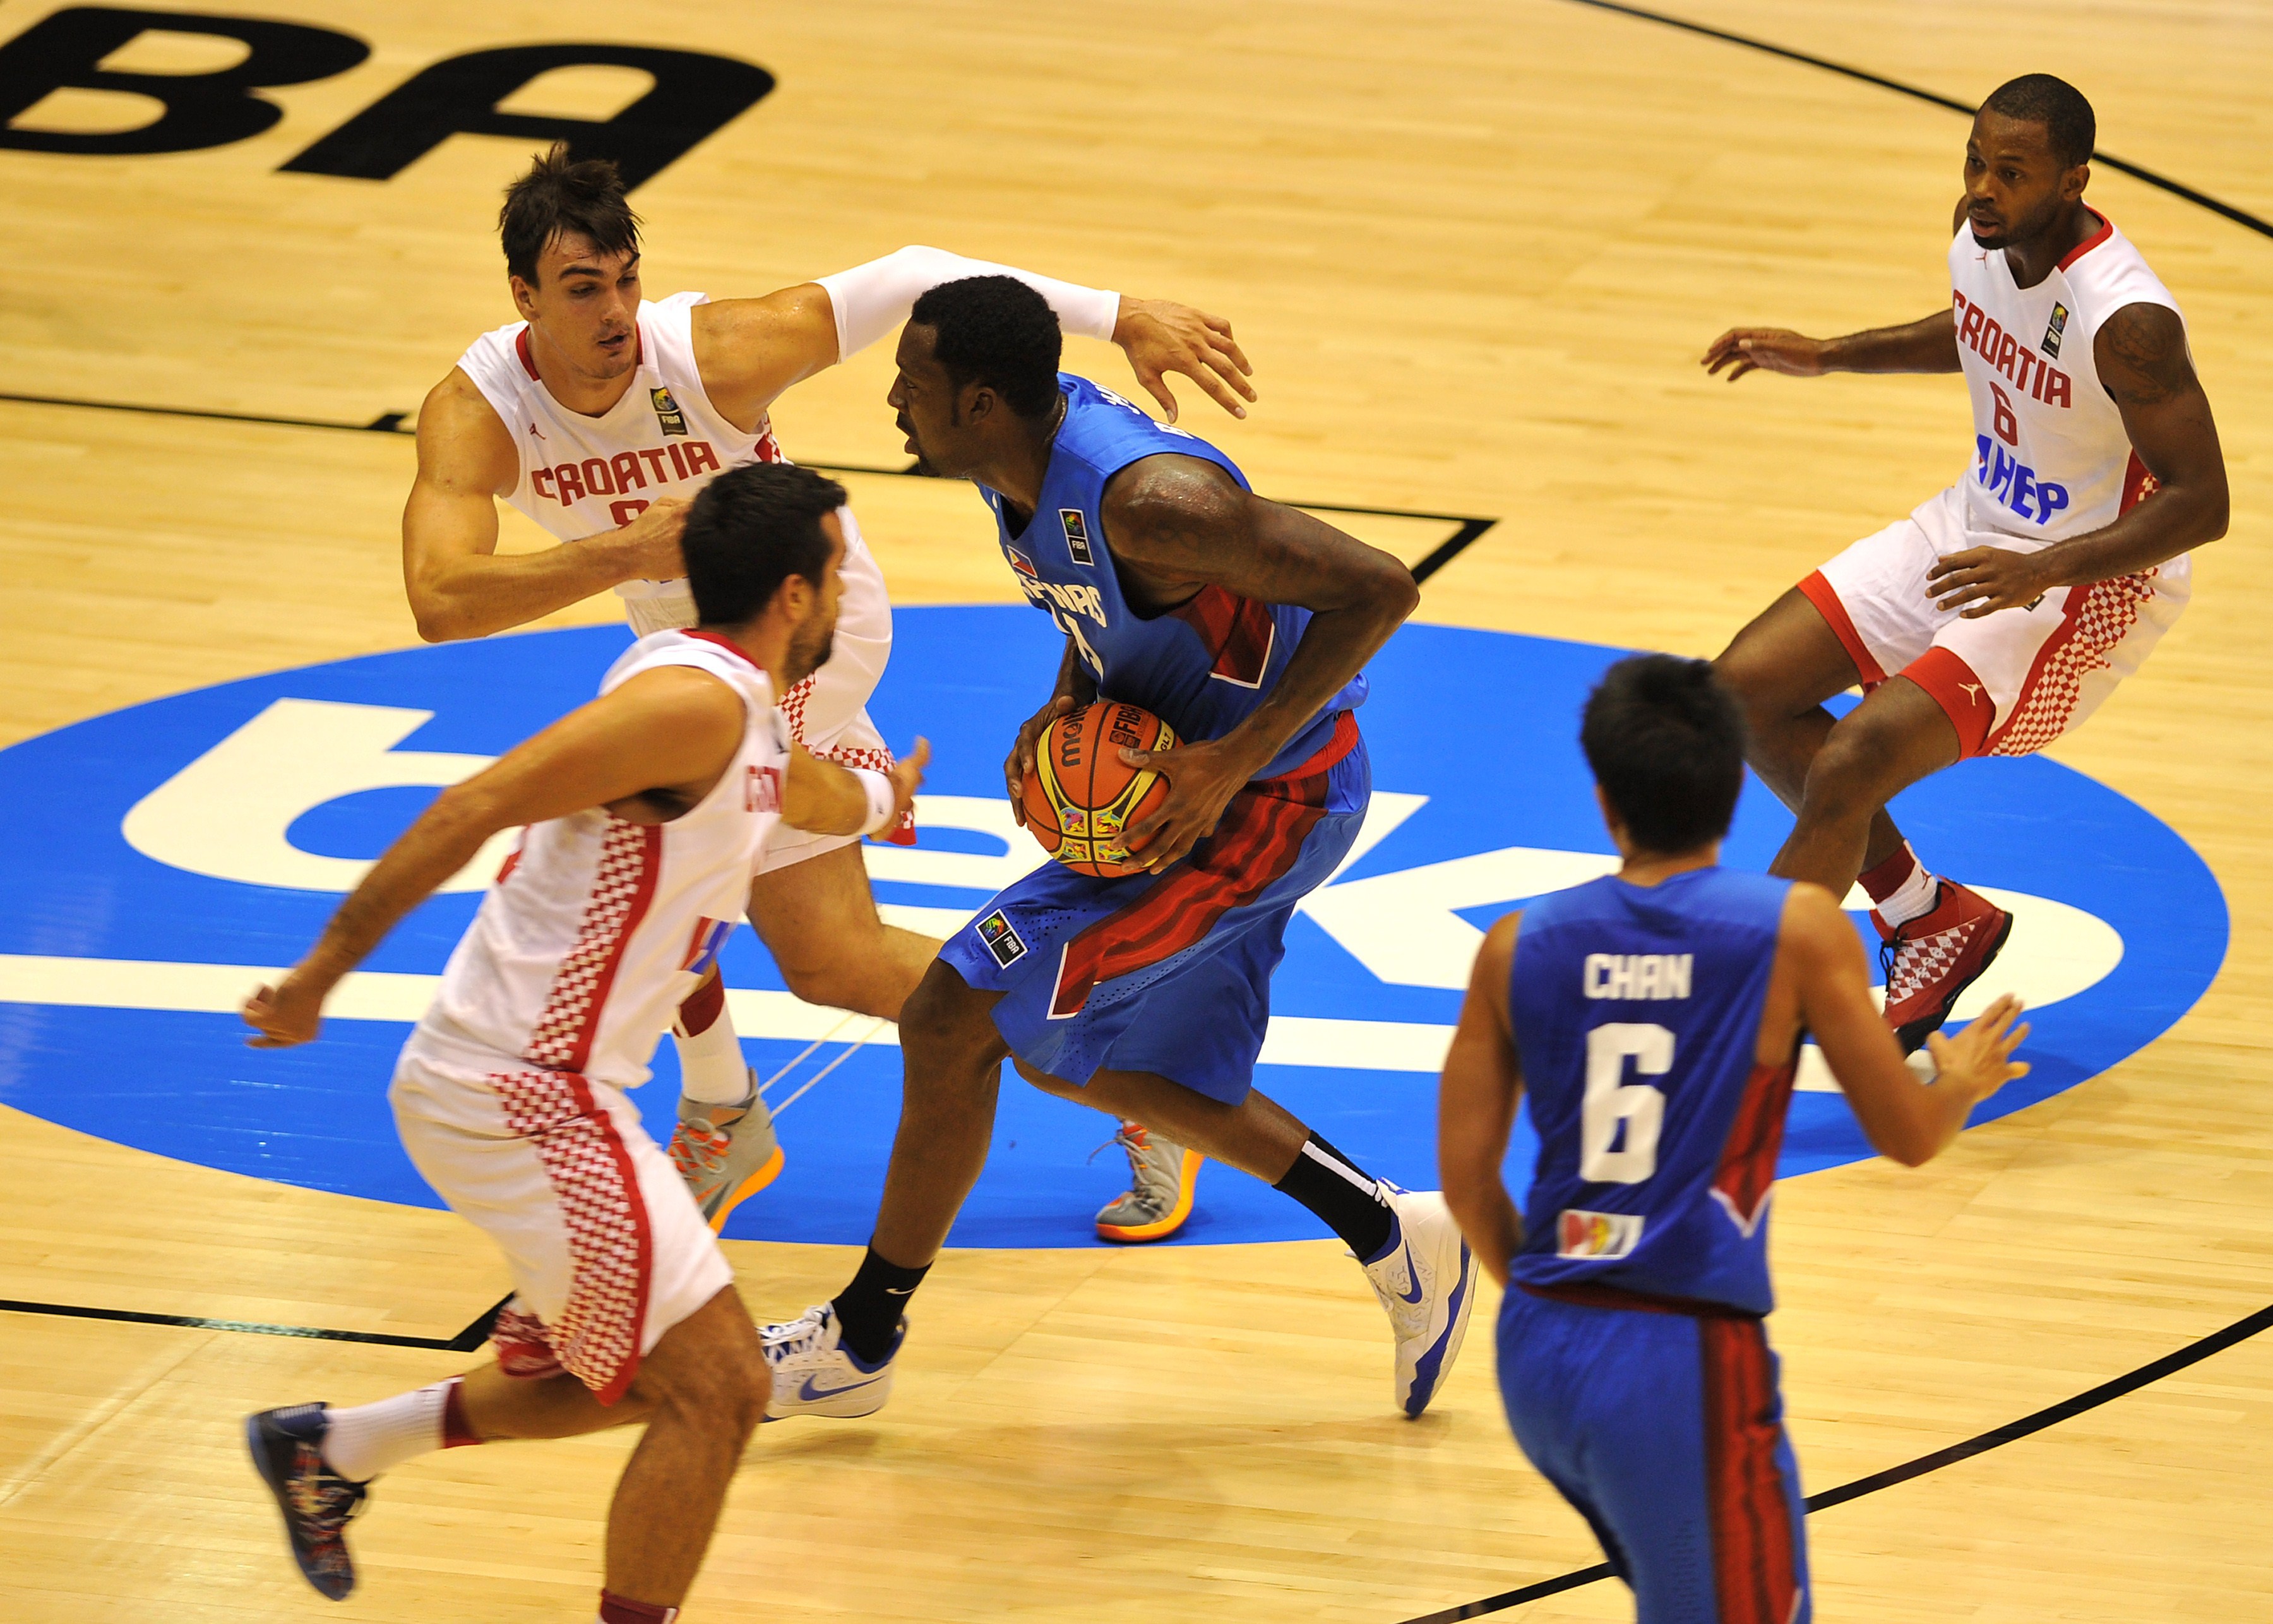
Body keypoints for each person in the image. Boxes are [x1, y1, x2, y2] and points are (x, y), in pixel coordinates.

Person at [407, 145, 1251, 1238]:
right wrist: (625, 554)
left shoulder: (706, 356)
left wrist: (1118, 310)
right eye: (582, 290)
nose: (616, 311)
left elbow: (909, 274)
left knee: (643, 842)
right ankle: (1133, 1077)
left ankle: (722, 1098)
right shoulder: (479, 411)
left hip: (813, 617)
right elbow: (440, 601)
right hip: (696, 649)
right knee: (832, 962)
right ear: (523, 296)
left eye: (626, 280)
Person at [753, 274, 1480, 1424]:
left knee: (978, 1017)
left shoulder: (1153, 503)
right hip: (1176, 793)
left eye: (916, 384)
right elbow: (1103, 617)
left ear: (984, 402)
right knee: (1015, 1040)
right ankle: (1395, 1229)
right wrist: (1065, 713)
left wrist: (1233, 760)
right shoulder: (1022, 470)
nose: (894, 400)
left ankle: (860, 1339)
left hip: (1268, 804)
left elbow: (1380, 591)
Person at [239, 465, 925, 1620]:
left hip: (542, 1094)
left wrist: (882, 801)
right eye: (843, 575)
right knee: (720, 1385)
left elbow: (802, 792)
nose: (856, 596)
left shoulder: (739, 713)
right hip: (523, 1091)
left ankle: (333, 1450)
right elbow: (468, 808)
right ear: (799, 596)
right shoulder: (690, 704)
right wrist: (317, 980)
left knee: (606, 1374)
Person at [1438, 653, 2030, 1624]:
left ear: (1603, 799)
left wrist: (1559, 1304)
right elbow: (1910, 1138)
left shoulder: (1515, 945)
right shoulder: (1793, 928)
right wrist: (1958, 1084)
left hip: (1537, 1354)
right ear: (1729, 788)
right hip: (1679, 1366)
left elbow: (1465, 1181)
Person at [1700, 74, 2228, 1051]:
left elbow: (2205, 503)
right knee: (1742, 691)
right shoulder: (1984, 230)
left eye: (2012, 172)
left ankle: (1740, 1024)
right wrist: (1829, 355)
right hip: (1972, 526)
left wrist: (2045, 570)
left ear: (2073, 181)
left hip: (2083, 584)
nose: (1984, 187)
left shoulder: (2131, 322)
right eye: (1976, 163)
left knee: (1854, 758)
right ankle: (1929, 916)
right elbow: (1982, 330)